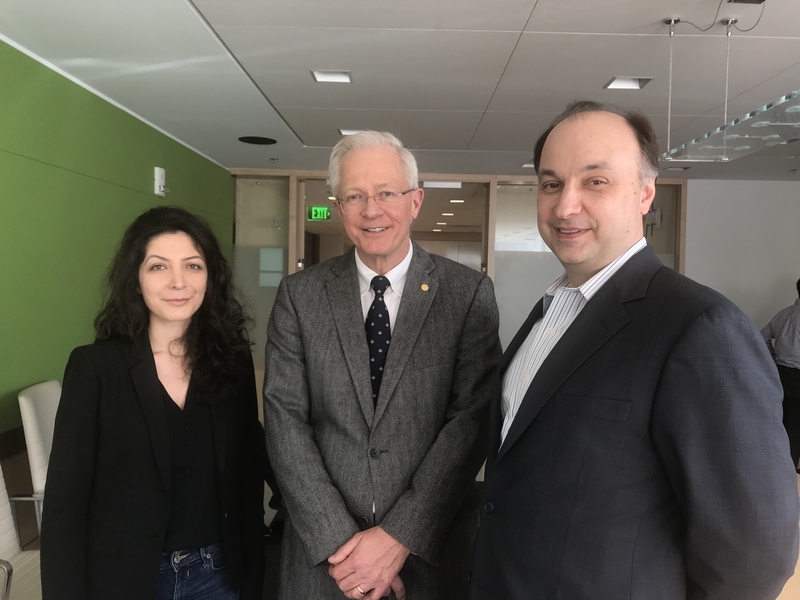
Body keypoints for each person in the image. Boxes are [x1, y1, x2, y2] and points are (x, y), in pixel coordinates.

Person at [470, 101, 800, 599]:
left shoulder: (702, 328)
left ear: (645, 193)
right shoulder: (549, 312)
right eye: (551, 183)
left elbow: (753, 556)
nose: (564, 206)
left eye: (595, 181)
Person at [263, 131, 502, 600]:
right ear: (338, 207)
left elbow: (471, 421)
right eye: (355, 196)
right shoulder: (300, 295)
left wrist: (398, 538)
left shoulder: (466, 294)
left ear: (415, 201)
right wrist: (343, 548)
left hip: (425, 557)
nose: (372, 210)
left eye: (387, 193)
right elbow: (283, 420)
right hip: (324, 564)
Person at [41, 206, 266, 600]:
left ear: (210, 277)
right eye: (159, 267)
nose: (178, 282)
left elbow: (247, 466)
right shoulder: (96, 367)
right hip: (124, 578)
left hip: (217, 573)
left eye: (193, 266)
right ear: (136, 279)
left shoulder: (230, 359)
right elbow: (66, 501)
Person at [762, 278, 800, 468]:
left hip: (782, 374)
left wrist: (773, 358)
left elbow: (762, 338)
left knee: (786, 426)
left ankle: (786, 471)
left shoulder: (784, 314)